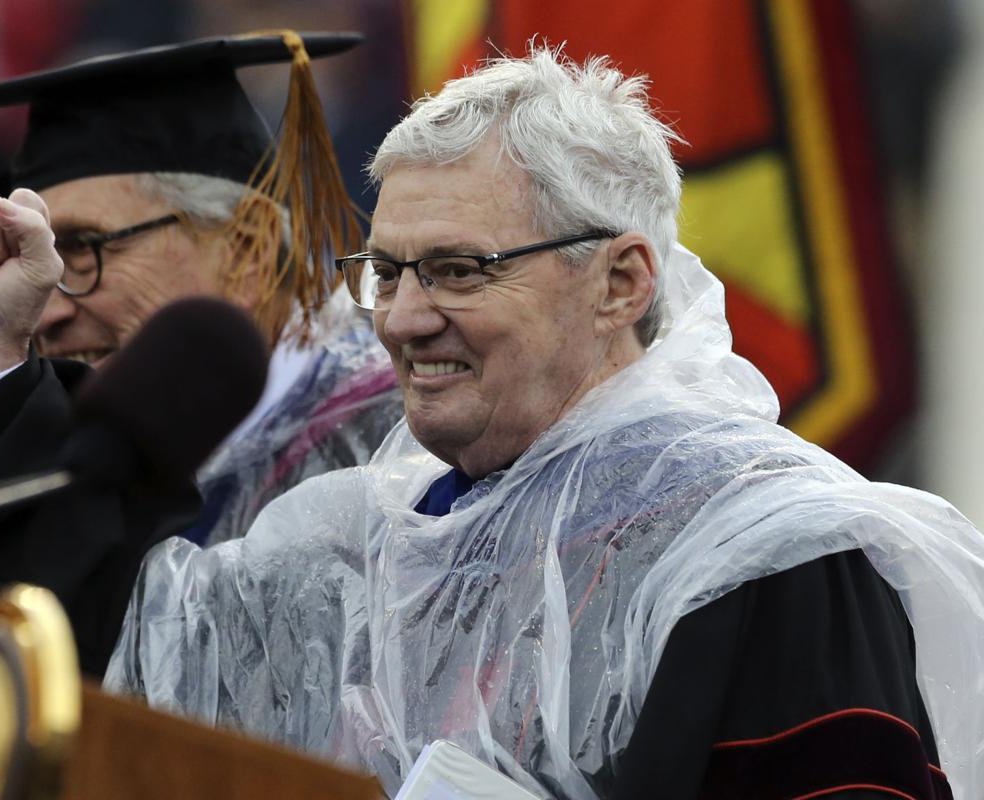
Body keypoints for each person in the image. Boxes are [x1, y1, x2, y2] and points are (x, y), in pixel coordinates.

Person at [100, 50, 984, 799]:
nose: (402, 319)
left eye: (456, 270)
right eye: (388, 271)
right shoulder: (355, 544)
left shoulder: (770, 552)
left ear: (621, 283)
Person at [0, 32, 403, 676]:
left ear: (250, 248)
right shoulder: (67, 441)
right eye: (33, 258)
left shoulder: (389, 450)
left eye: (87, 248)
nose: (48, 305)